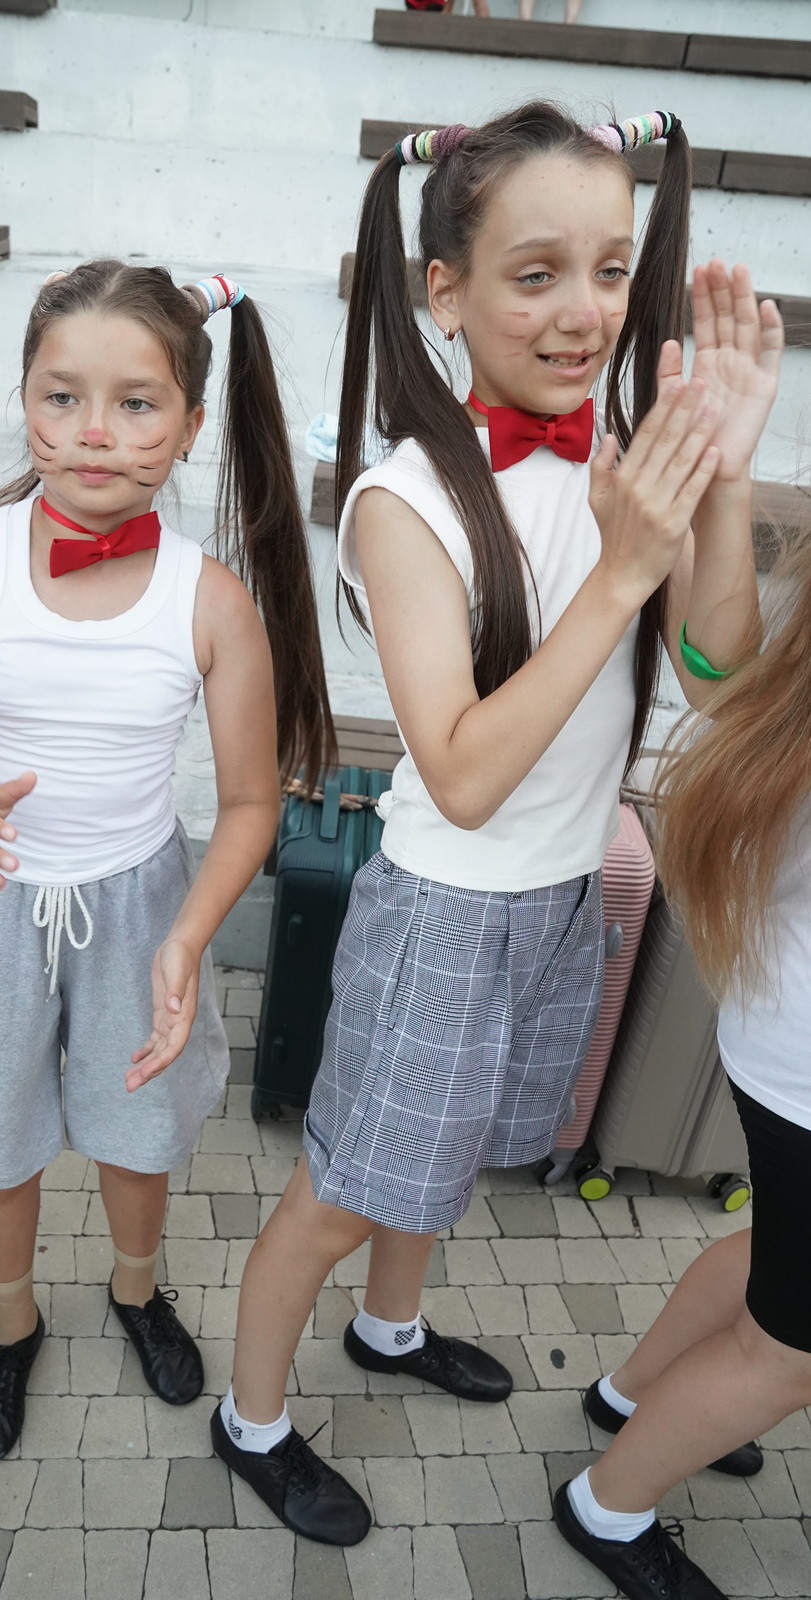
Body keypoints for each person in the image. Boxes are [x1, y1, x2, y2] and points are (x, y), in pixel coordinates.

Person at [213, 100, 779, 1549]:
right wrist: (619, 569)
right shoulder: (403, 501)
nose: (584, 311)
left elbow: (717, 679)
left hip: (564, 892)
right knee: (342, 1190)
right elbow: (461, 774)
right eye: (534, 274)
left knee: (451, 1156)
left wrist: (716, 483)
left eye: (609, 268)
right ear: (444, 292)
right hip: (443, 913)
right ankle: (249, 1420)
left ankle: (388, 1332)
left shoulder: (619, 460)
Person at [0, 261, 334, 1462]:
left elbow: (249, 802)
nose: (93, 432)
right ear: (24, 398)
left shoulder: (211, 601)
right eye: (61, 396)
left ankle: (136, 1288)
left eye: (135, 403)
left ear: (188, 422)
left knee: (139, 1133)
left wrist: (187, 935)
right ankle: (12, 1325)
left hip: (141, 907)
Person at [555, 414, 801, 1597]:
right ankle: (607, 1506)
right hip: (797, 1054)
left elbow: (720, 680)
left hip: (779, 1031)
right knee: (790, 1350)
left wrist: (723, 486)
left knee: (770, 1265)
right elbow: (715, 674)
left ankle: (632, 1394)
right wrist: (713, 494)